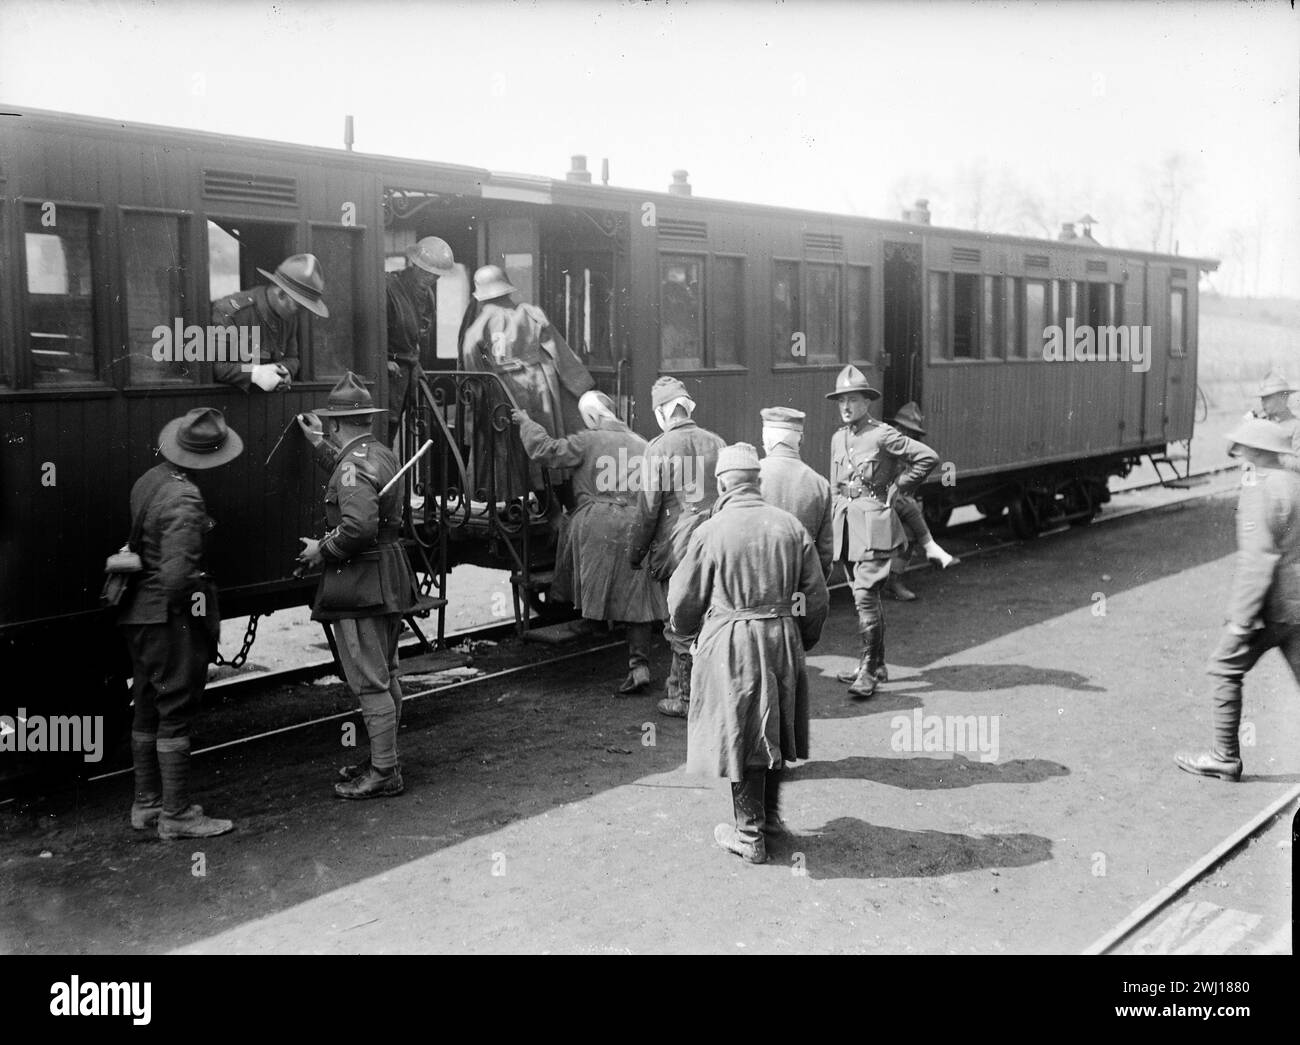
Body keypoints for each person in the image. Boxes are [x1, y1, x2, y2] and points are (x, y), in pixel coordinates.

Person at [668, 443, 829, 864]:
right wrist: (801, 639)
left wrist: (686, 636)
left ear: (722, 483)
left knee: (741, 735)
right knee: (772, 729)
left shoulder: (711, 530)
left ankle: (749, 835)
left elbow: (683, 599)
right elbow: (817, 595)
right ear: (756, 480)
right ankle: (770, 820)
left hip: (733, 642)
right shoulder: (790, 527)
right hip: (782, 637)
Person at [119, 407, 242, 839]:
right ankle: (177, 815)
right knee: (176, 711)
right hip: (168, 620)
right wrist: (195, 618)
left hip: (137, 613)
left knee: (148, 704)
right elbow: (176, 578)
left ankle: (147, 804)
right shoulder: (186, 498)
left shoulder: (150, 480)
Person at [296, 371, 420, 799]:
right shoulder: (380, 453)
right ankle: (383, 761)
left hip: (361, 580)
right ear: (366, 419)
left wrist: (320, 551)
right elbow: (355, 478)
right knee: (386, 674)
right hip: (386, 574)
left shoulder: (353, 466)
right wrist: (319, 447)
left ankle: (385, 773)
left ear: (335, 423)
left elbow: (357, 527)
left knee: (369, 681)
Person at [511, 391, 667, 693]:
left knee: (587, 563)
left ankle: (591, 621)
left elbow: (546, 450)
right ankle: (639, 666)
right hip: (636, 522)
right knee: (637, 597)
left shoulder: (587, 439)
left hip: (597, 522)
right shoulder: (644, 444)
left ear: (594, 418)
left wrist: (527, 423)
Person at [1174, 416, 1300, 781]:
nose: (1237, 453)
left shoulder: (1260, 489)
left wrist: (1241, 619)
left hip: (1276, 606)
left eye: (1243, 448)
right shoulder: (1294, 481)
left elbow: (1257, 561)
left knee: (1224, 665)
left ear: (1256, 452)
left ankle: (1224, 756)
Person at [826, 366, 938, 699]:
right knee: (866, 596)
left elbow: (927, 457)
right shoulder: (838, 437)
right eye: (841, 400)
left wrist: (899, 486)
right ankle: (877, 663)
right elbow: (835, 485)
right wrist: (833, 518)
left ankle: (869, 670)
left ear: (867, 402)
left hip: (873, 525)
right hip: (846, 527)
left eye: (853, 400)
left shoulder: (883, 434)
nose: (846, 406)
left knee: (863, 597)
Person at [628, 376, 727, 718]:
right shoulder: (717, 442)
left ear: (661, 412)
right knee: (711, 616)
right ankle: (695, 688)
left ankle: (685, 698)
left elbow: (647, 510)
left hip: (678, 547)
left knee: (680, 621)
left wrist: (636, 552)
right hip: (715, 544)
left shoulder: (659, 448)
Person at [460, 264, 594, 500]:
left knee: (507, 446)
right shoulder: (531, 314)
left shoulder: (477, 327)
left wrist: (475, 407)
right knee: (542, 440)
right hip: (539, 388)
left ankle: (512, 502)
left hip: (502, 393)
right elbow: (559, 353)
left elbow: (473, 368)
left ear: (480, 295)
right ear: (507, 290)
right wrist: (582, 388)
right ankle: (549, 499)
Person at [212, 253, 328, 391]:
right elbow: (218, 366)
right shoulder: (231, 311)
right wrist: (255, 373)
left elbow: (292, 359)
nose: (302, 314)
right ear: (281, 295)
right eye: (300, 307)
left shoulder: (290, 316)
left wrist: (283, 370)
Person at [882, 401, 957, 602]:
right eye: (904, 430)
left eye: (911, 433)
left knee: (909, 528)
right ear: (896, 427)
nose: (907, 435)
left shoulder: (907, 451)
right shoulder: (885, 444)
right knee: (911, 507)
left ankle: (893, 581)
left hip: (892, 501)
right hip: (874, 497)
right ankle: (932, 548)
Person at [386, 237, 455, 432]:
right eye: (426, 272)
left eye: (436, 275)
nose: (431, 279)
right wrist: (383, 360)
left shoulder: (428, 297)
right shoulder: (389, 287)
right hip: (390, 377)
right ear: (415, 266)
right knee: (386, 434)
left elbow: (421, 335)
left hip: (410, 376)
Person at [757, 406, 833, 578]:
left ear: (766, 440)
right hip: (800, 588)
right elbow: (825, 552)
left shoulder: (751, 477)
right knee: (798, 606)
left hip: (759, 586)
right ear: (801, 440)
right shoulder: (820, 484)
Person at [1253, 369, 1300, 472]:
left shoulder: (1296, 426)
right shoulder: (1262, 423)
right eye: (1262, 398)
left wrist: (1278, 456)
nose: (1263, 403)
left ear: (1283, 398)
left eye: (1268, 398)